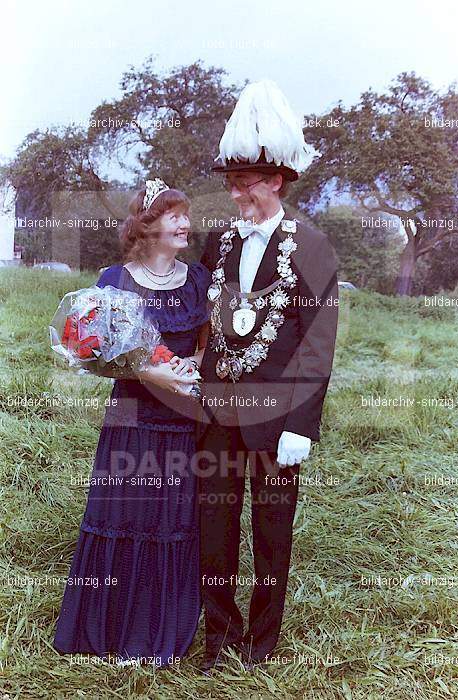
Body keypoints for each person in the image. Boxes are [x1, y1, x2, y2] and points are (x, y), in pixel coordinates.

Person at [196, 80, 339, 671]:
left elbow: (317, 345)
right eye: (231, 185)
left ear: (276, 180)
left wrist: (300, 424)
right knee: (214, 529)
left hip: (278, 421)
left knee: (273, 534)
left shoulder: (313, 246)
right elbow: (200, 320)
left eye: (246, 184)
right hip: (216, 417)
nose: (236, 196)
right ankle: (218, 636)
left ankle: (262, 642)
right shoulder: (217, 243)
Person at [54, 179, 211, 667]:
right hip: (130, 417)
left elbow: (208, 342)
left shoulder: (200, 279)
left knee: (173, 519)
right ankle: (109, 633)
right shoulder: (112, 281)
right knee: (128, 514)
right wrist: (149, 371)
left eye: (186, 214)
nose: (184, 223)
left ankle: (159, 636)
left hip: (184, 417)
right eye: (173, 215)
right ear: (147, 225)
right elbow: (94, 352)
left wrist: (190, 371)